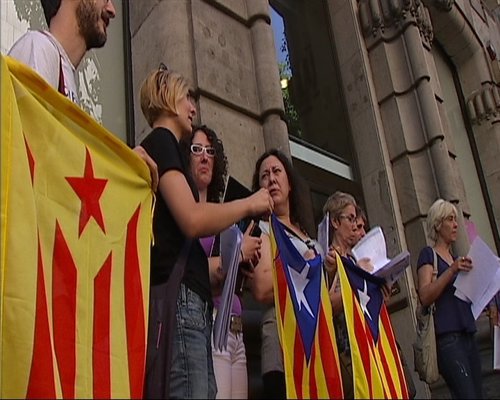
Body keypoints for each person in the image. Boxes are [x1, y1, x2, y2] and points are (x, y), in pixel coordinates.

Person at [139, 66, 273, 399]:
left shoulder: (168, 147)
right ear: (167, 97)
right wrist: (248, 204)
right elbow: (192, 219)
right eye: (187, 98)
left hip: (194, 306)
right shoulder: (161, 141)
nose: (193, 108)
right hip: (182, 304)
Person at [8, 0, 158, 190]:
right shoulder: (38, 48)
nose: (112, 10)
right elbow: (30, 159)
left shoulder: (63, 72)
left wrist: (122, 168)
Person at [184, 125, 261, 399]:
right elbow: (190, 270)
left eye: (210, 151)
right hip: (212, 324)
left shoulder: (223, 212)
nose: (205, 156)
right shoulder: (186, 212)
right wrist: (237, 254)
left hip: (237, 329)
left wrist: (246, 263)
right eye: (197, 150)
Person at [244, 149, 320, 398]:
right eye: (264, 176)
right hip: (281, 347)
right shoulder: (261, 230)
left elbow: (323, 299)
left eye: (277, 171)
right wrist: (303, 271)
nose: (272, 179)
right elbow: (262, 289)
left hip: (317, 348)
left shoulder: (310, 239)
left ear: (290, 184)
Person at [416, 199, 482, 399]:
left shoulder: (456, 258)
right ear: (438, 224)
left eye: (456, 220)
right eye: (450, 219)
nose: (455, 225)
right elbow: (425, 295)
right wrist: (452, 271)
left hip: (467, 334)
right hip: (448, 339)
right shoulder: (428, 255)